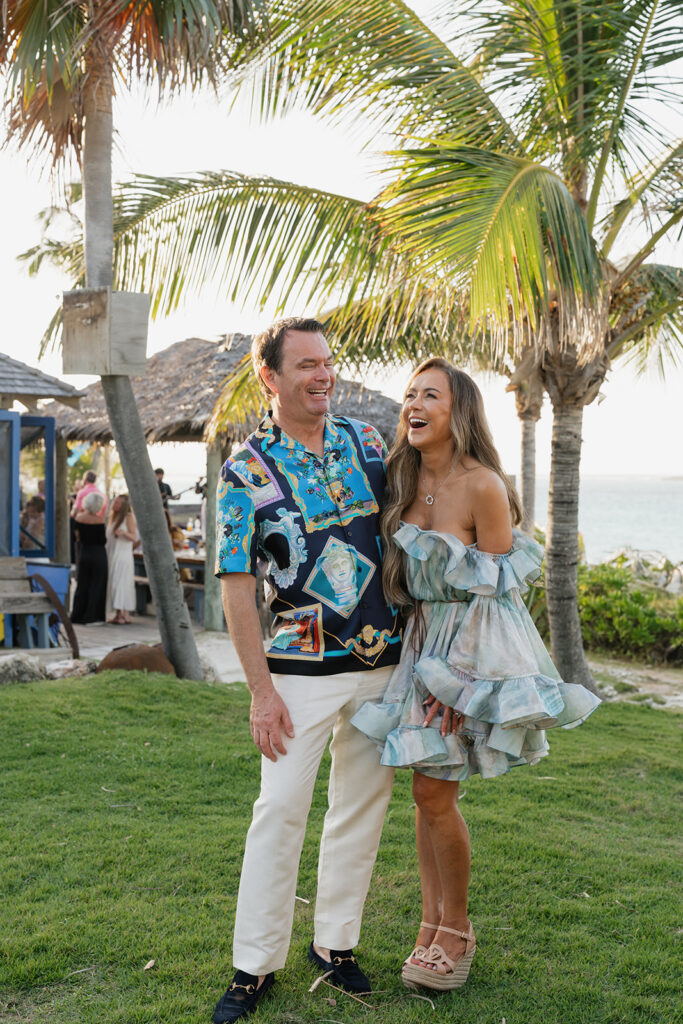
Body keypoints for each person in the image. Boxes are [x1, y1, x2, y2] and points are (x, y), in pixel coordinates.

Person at [352, 358, 601, 992]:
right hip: (418, 645)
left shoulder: (484, 485)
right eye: (410, 393)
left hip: (465, 654)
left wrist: (461, 685)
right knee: (426, 793)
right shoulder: (400, 478)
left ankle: (456, 930)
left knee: (436, 793)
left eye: (429, 395)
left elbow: (499, 600)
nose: (414, 404)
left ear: (458, 410)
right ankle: (430, 923)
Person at [212, 317, 402, 1023]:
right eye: (305, 366)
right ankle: (254, 965)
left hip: (383, 660)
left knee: (360, 808)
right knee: (279, 812)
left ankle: (335, 945)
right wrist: (260, 693)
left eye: (327, 362)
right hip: (297, 672)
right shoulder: (246, 470)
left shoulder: (367, 442)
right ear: (270, 377)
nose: (323, 376)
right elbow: (237, 587)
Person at [71, 492, 108, 624]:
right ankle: (93, 616)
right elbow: (103, 540)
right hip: (99, 554)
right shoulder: (100, 520)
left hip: (84, 552)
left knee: (82, 584)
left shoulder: (78, 518)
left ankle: (77, 615)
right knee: (97, 585)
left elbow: (76, 537)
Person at [106, 494, 137, 624]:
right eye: (115, 502)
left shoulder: (128, 517)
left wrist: (123, 533)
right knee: (114, 582)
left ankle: (125, 613)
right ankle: (118, 612)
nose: (115, 505)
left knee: (122, 582)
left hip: (123, 555)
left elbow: (134, 537)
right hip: (113, 553)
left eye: (118, 503)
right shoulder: (113, 517)